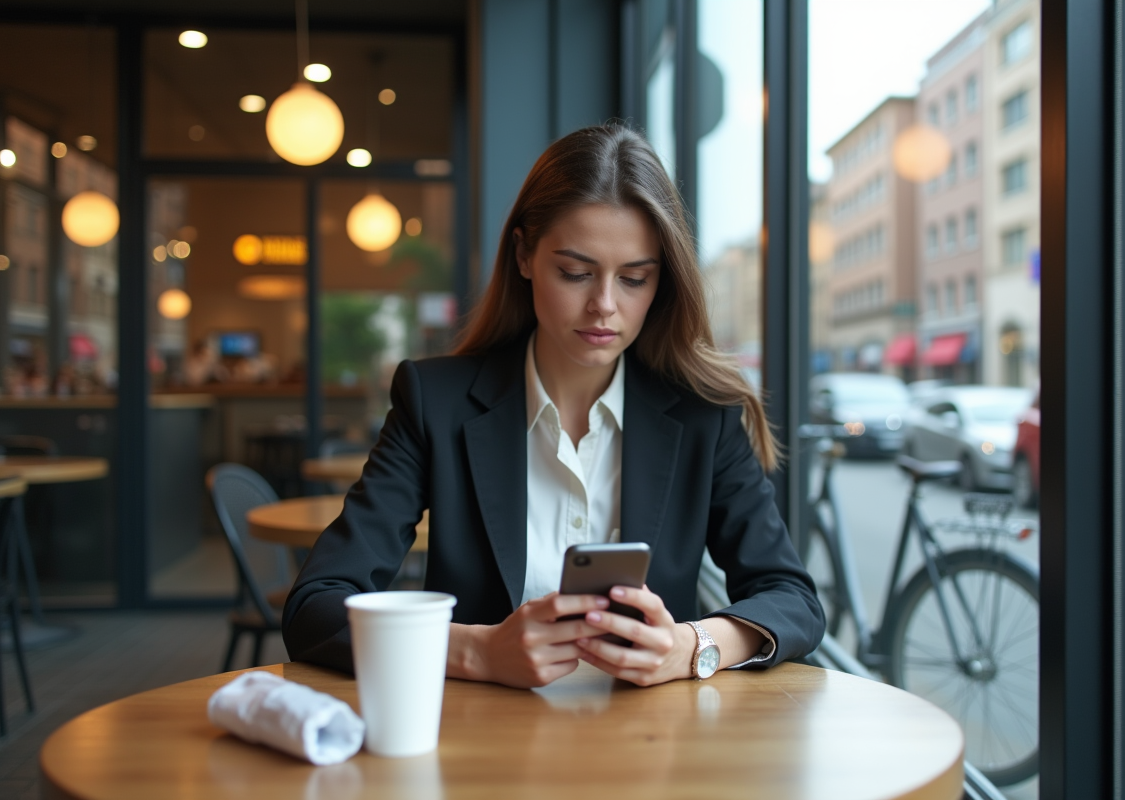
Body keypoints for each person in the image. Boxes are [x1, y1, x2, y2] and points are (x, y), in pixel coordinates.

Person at [283, 123, 824, 688]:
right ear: (523, 255)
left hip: (652, 752)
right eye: (575, 273)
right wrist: (474, 650)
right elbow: (315, 608)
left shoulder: (702, 416)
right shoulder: (434, 402)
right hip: (480, 746)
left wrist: (692, 646)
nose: (604, 307)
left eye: (635, 279)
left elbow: (792, 600)